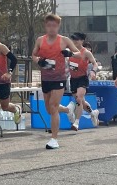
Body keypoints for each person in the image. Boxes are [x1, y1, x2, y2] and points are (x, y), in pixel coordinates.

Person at [31, 13, 83, 150]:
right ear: (45, 26)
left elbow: (79, 53)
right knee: (49, 109)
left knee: (53, 107)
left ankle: (54, 139)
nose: (51, 28)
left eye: (54, 25)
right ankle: (67, 109)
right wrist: (38, 61)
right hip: (46, 78)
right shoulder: (40, 40)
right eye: (49, 25)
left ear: (58, 26)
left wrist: (70, 54)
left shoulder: (64, 40)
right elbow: (34, 55)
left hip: (59, 78)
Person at [66, 33, 100, 131]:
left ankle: (76, 122)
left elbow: (95, 63)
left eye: (77, 39)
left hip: (82, 78)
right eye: (73, 39)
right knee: (82, 102)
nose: (75, 41)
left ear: (82, 41)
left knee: (79, 99)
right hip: (73, 79)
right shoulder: (69, 51)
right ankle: (93, 113)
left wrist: (93, 71)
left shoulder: (86, 52)